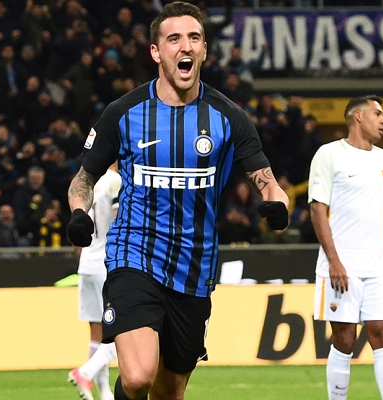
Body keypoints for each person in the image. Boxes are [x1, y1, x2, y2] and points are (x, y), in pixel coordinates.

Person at [65, 3, 290, 400]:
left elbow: (269, 183)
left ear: (204, 50)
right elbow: (82, 180)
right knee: (138, 377)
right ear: (156, 51)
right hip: (134, 256)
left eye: (194, 38)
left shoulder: (229, 117)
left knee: (169, 392)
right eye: (174, 39)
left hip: (194, 268)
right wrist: (79, 213)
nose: (185, 46)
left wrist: (277, 205)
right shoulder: (123, 113)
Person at [307, 95, 383, 400]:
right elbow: (317, 210)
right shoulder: (329, 154)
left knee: (382, 332)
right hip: (341, 267)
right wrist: (334, 261)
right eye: (377, 114)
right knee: (344, 338)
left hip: (378, 267)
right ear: (358, 116)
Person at [68, 163, 122, 400]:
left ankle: (104, 393)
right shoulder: (114, 180)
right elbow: (120, 217)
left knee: (96, 333)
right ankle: (85, 372)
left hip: (87, 263)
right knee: (124, 330)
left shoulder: (87, 182)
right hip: (106, 262)